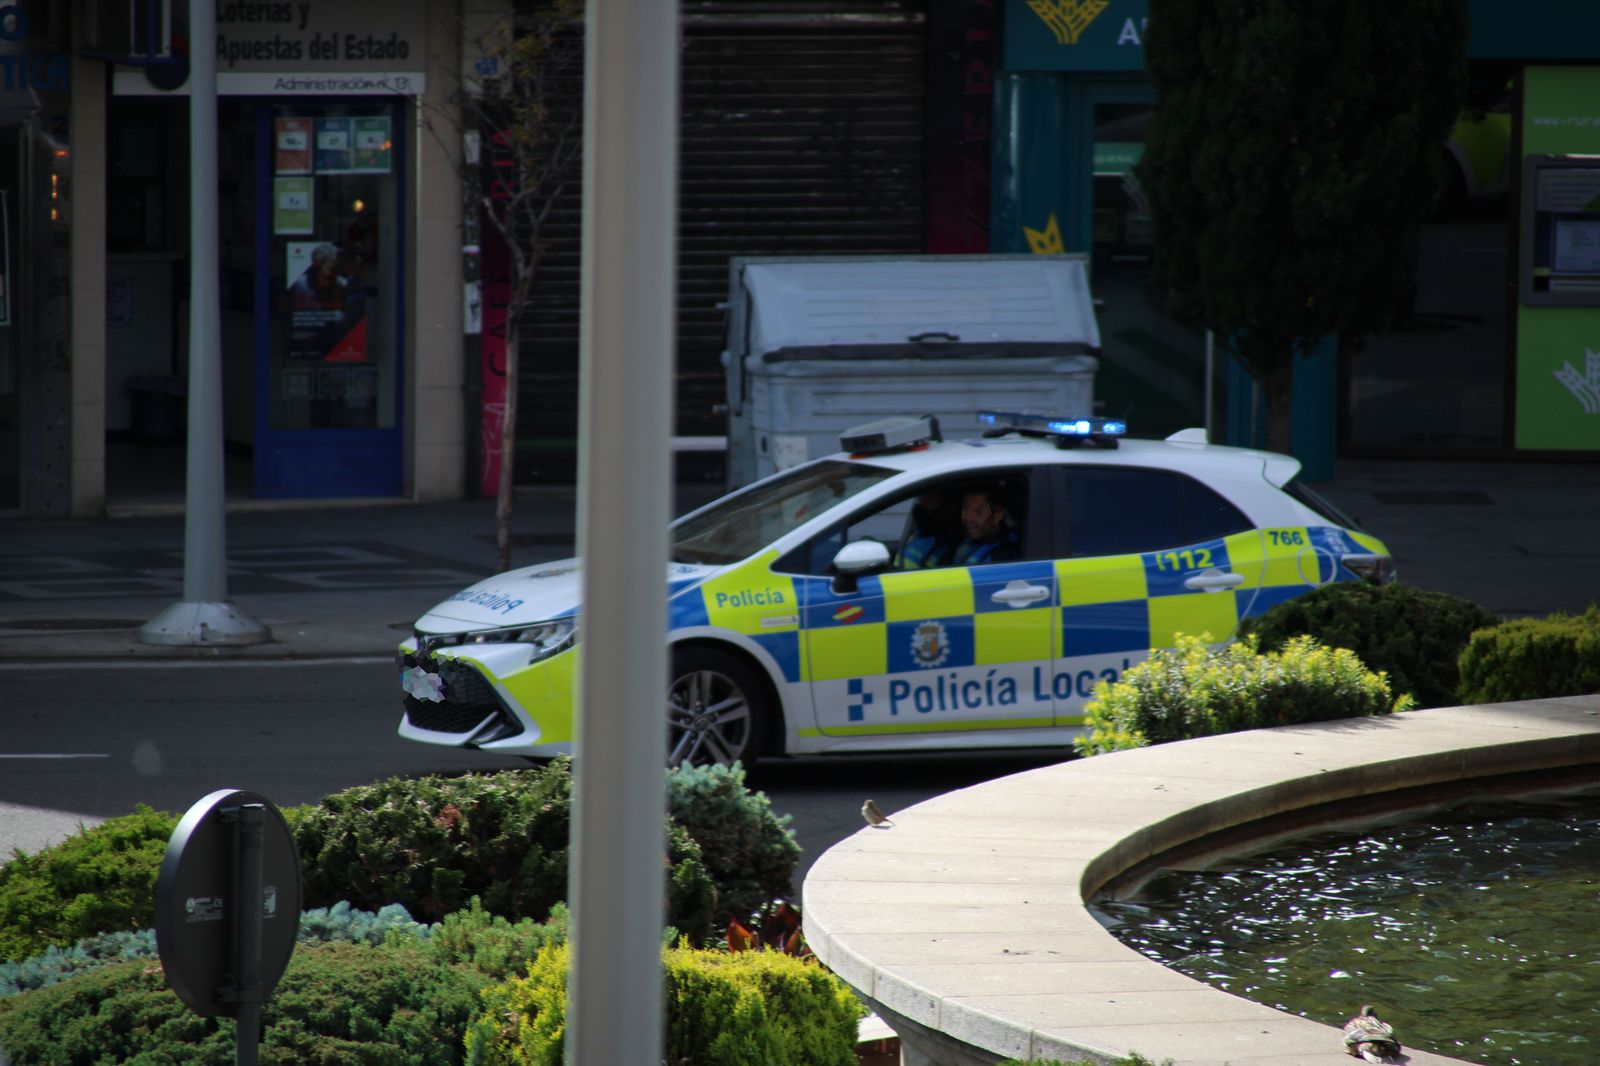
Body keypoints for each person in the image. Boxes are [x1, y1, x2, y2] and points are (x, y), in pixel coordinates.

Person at [950, 486, 1019, 566]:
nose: (968, 518)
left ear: (997, 515)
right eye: (965, 510)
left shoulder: (1003, 556)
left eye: (978, 511)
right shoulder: (961, 540)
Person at [897, 490, 957, 569]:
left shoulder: (946, 547)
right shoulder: (917, 532)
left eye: (929, 498)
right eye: (921, 498)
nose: (921, 503)